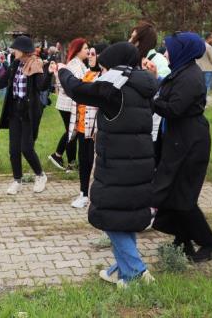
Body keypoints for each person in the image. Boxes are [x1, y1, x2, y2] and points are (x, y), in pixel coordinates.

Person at [52, 42, 157, 287]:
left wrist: (63, 70)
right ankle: (123, 274)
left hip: (116, 165)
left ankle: (138, 271)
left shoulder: (113, 88)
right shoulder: (145, 84)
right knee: (125, 217)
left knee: (109, 217)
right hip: (140, 163)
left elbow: (76, 90)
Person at [150, 32, 212, 263]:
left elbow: (174, 108)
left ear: (183, 51)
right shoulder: (181, 72)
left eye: (170, 49)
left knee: (182, 197)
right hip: (179, 139)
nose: (166, 53)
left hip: (190, 142)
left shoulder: (190, 77)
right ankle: (182, 242)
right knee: (172, 194)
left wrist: (149, 100)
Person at [0, 35, 52, 195]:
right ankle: (17, 180)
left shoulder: (36, 64)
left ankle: (40, 176)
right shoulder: (15, 65)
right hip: (14, 112)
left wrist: (50, 74)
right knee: (13, 150)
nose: (13, 51)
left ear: (24, 50)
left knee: (26, 148)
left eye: (16, 48)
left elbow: (42, 86)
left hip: (29, 112)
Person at [70, 44, 108, 208]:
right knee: (83, 161)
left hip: (94, 128)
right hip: (81, 126)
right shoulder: (86, 73)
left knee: (95, 163)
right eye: (89, 53)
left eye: (93, 54)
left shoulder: (104, 77)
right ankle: (83, 193)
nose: (90, 56)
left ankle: (96, 196)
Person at [48, 38, 88, 172]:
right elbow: (78, 83)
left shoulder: (78, 63)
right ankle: (64, 160)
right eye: (85, 49)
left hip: (68, 103)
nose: (88, 51)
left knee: (72, 132)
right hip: (69, 104)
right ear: (78, 50)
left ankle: (62, 158)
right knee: (72, 132)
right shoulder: (75, 64)